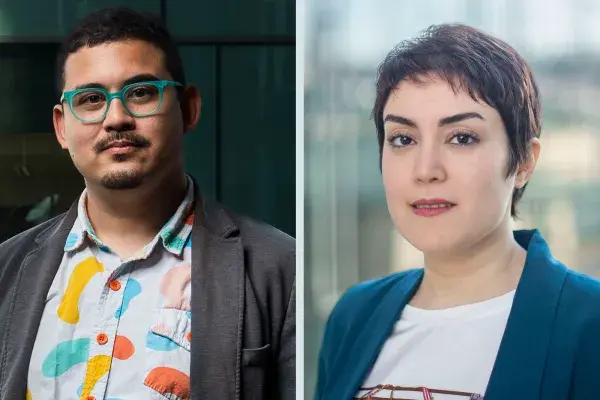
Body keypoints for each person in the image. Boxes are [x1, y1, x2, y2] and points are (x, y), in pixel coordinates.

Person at [0, 7, 295, 400]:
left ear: (189, 108)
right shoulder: (8, 269)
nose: (116, 118)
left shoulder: (279, 269)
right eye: (90, 99)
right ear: (61, 127)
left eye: (141, 93)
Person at [314, 24, 600, 400]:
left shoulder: (588, 322)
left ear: (524, 163)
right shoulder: (354, 314)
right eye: (403, 139)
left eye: (461, 138)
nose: (426, 169)